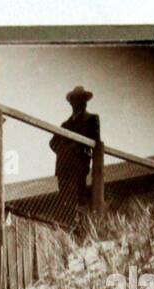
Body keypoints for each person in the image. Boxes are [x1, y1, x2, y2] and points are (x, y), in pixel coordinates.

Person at [50, 85, 101, 226]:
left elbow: (94, 140)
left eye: (81, 100)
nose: (78, 103)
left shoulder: (92, 119)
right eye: (75, 100)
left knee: (80, 197)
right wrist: (65, 151)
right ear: (71, 102)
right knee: (65, 200)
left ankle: (82, 227)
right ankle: (68, 227)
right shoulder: (65, 125)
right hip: (64, 167)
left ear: (85, 102)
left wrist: (74, 148)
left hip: (78, 165)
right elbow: (53, 142)